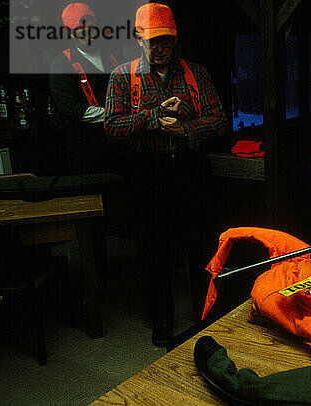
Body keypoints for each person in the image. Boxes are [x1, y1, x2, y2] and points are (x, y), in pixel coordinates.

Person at [104, 3, 227, 346]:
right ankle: (162, 317)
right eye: (153, 42)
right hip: (148, 172)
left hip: (191, 168)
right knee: (152, 248)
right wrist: (154, 117)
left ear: (175, 40)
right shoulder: (122, 76)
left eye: (166, 42)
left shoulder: (196, 74)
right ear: (139, 39)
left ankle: (207, 311)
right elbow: (112, 126)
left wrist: (185, 130)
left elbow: (219, 119)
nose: (160, 49)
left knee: (201, 244)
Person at [50, 2, 120, 174]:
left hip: (120, 141)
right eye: (83, 31)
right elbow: (71, 108)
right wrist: (114, 115)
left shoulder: (112, 54)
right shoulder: (61, 63)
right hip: (87, 145)